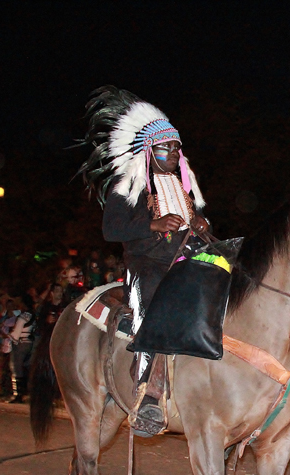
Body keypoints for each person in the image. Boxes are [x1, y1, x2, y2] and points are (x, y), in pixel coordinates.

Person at [79, 86, 209, 435]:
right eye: (166, 148)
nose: (172, 153)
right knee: (153, 306)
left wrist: (199, 223)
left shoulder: (182, 188)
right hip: (146, 265)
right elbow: (112, 228)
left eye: (176, 148)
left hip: (184, 261)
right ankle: (148, 395)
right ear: (149, 151)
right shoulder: (127, 185)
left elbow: (194, 225)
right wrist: (153, 223)